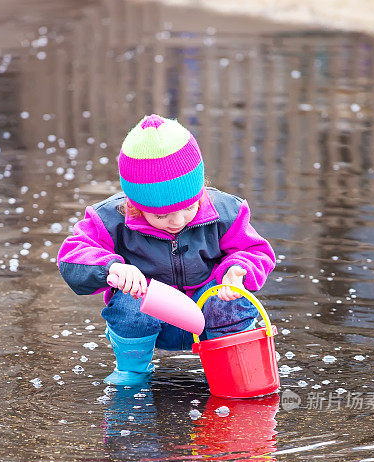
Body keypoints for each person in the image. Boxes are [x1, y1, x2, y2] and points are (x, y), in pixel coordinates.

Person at [57, 114, 276, 384]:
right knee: (130, 301)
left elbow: (256, 250)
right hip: (151, 315)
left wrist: (238, 269)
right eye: (160, 216)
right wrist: (111, 267)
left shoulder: (226, 211)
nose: (177, 220)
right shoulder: (110, 218)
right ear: (136, 205)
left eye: (188, 208)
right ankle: (132, 371)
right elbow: (71, 256)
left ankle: (234, 368)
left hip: (208, 309)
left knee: (229, 299)